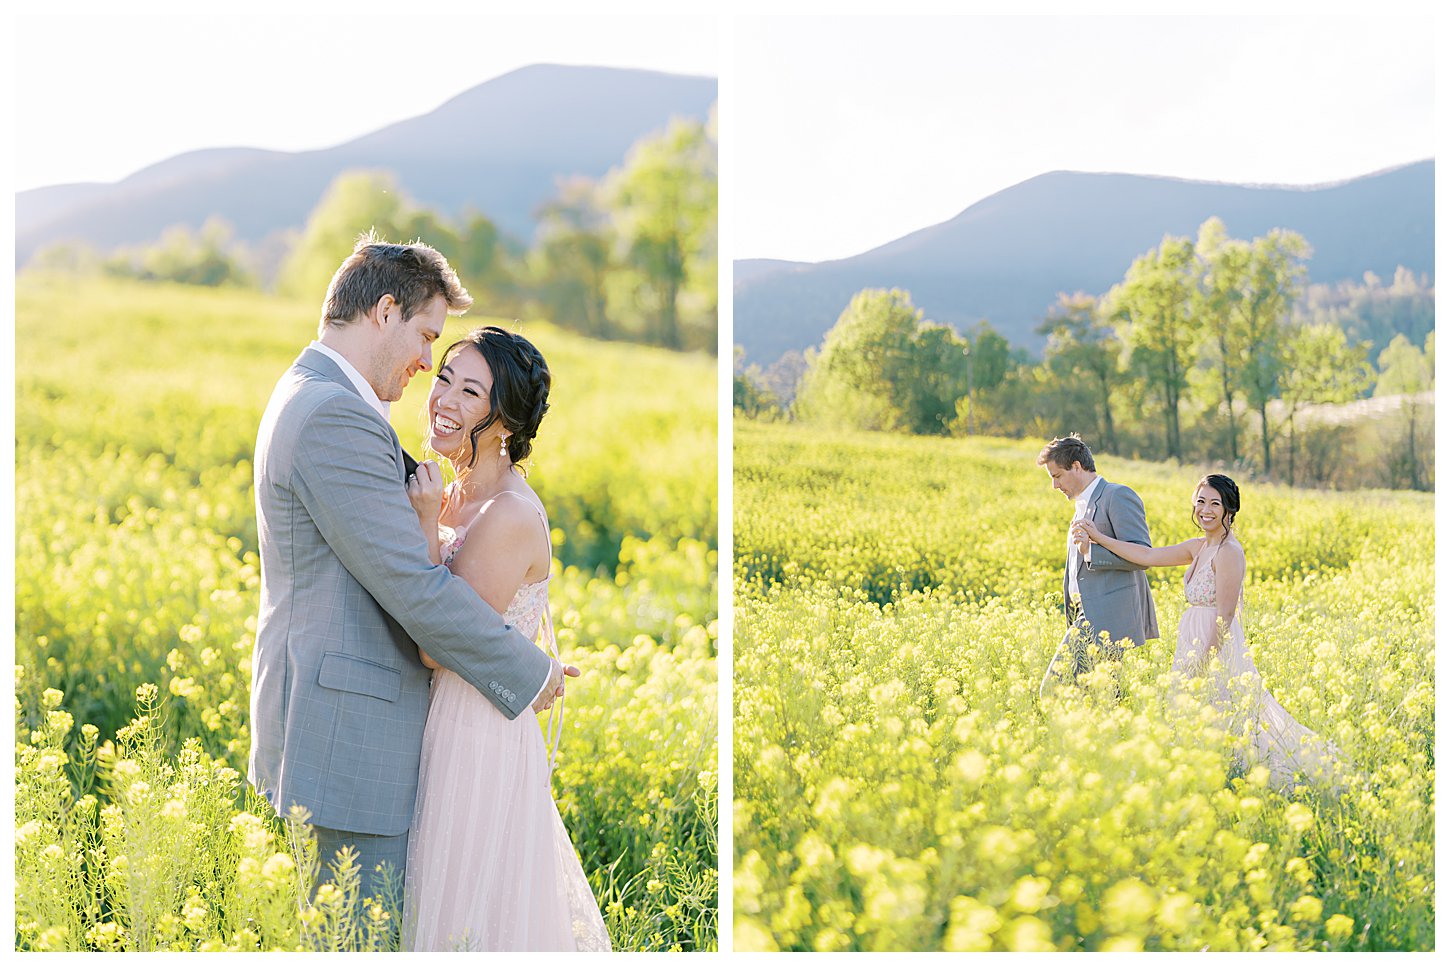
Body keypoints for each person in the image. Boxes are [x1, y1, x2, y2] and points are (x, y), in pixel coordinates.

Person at [248, 235, 572, 915]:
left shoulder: (318, 391)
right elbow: (416, 591)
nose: (428, 365)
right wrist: (531, 671)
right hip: (351, 746)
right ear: (384, 311)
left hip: (381, 739)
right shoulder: (335, 411)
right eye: (428, 336)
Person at [400, 327, 610, 951]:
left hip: (476, 732)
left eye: (471, 392)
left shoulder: (509, 514)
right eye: (444, 378)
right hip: (439, 717)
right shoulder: (455, 490)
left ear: (506, 424)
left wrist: (422, 526)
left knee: (463, 912)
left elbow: (440, 645)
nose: (444, 399)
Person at [1072, 473, 1337, 789]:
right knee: (1196, 718)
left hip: (1215, 645)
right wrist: (1098, 539)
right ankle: (1204, 779)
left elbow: (1225, 616)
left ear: (1229, 510)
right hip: (1193, 638)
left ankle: (1243, 778)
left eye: (1215, 503)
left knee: (1223, 716)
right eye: (1200, 501)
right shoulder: (1198, 547)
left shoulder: (1229, 552)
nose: (1206, 510)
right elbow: (1146, 555)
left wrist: (1204, 663)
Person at [1036, 435, 1158, 699]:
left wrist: (1091, 550)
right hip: (1086, 616)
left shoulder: (1117, 495)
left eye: (1057, 476)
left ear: (1077, 467)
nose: (1055, 486)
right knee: (1101, 700)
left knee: (1053, 691)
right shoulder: (1081, 505)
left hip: (1107, 619)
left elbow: (1142, 555)